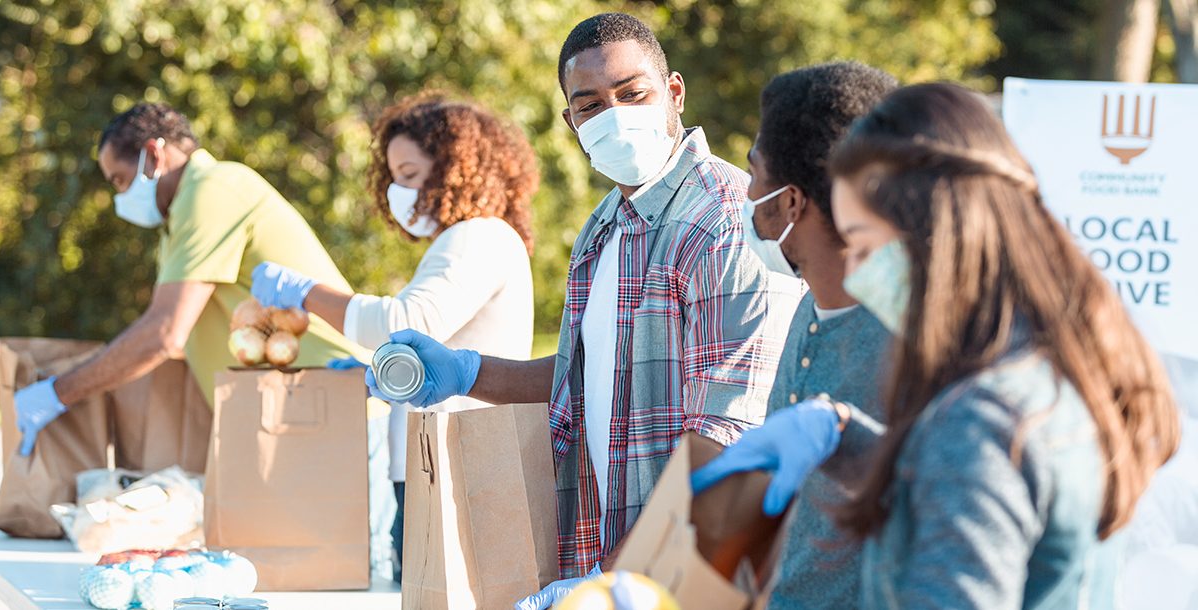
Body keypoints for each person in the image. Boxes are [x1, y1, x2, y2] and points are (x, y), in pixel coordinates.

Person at [694, 83, 1180, 608]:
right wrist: (844, 437)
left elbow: (971, 465)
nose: (854, 273)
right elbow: (969, 489)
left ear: (934, 233)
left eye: (864, 245)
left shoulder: (983, 417)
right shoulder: (1047, 366)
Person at [367, 13, 793, 606]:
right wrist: (467, 372)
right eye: (591, 105)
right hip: (613, 558)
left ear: (673, 92)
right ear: (571, 121)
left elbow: (732, 434)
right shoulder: (604, 228)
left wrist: (621, 575)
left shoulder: (725, 223)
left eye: (632, 94)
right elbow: (584, 378)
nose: (614, 115)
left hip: (696, 571)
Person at [250, 93, 538, 583]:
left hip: (460, 467)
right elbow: (433, 345)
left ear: (453, 166)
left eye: (408, 174)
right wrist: (378, 375)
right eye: (394, 178)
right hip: (437, 464)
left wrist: (305, 293)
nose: (398, 192)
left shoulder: (479, 236)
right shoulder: (465, 240)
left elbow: (409, 320)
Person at [14, 102, 363, 454]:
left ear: (153, 154)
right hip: (292, 412)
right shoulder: (178, 217)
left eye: (120, 181)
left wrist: (57, 393)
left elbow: (164, 333)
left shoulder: (211, 189)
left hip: (330, 403)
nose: (121, 197)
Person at [737, 62, 897, 608]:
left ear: (790, 201)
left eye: (754, 172)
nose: (745, 191)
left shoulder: (910, 346)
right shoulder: (809, 308)